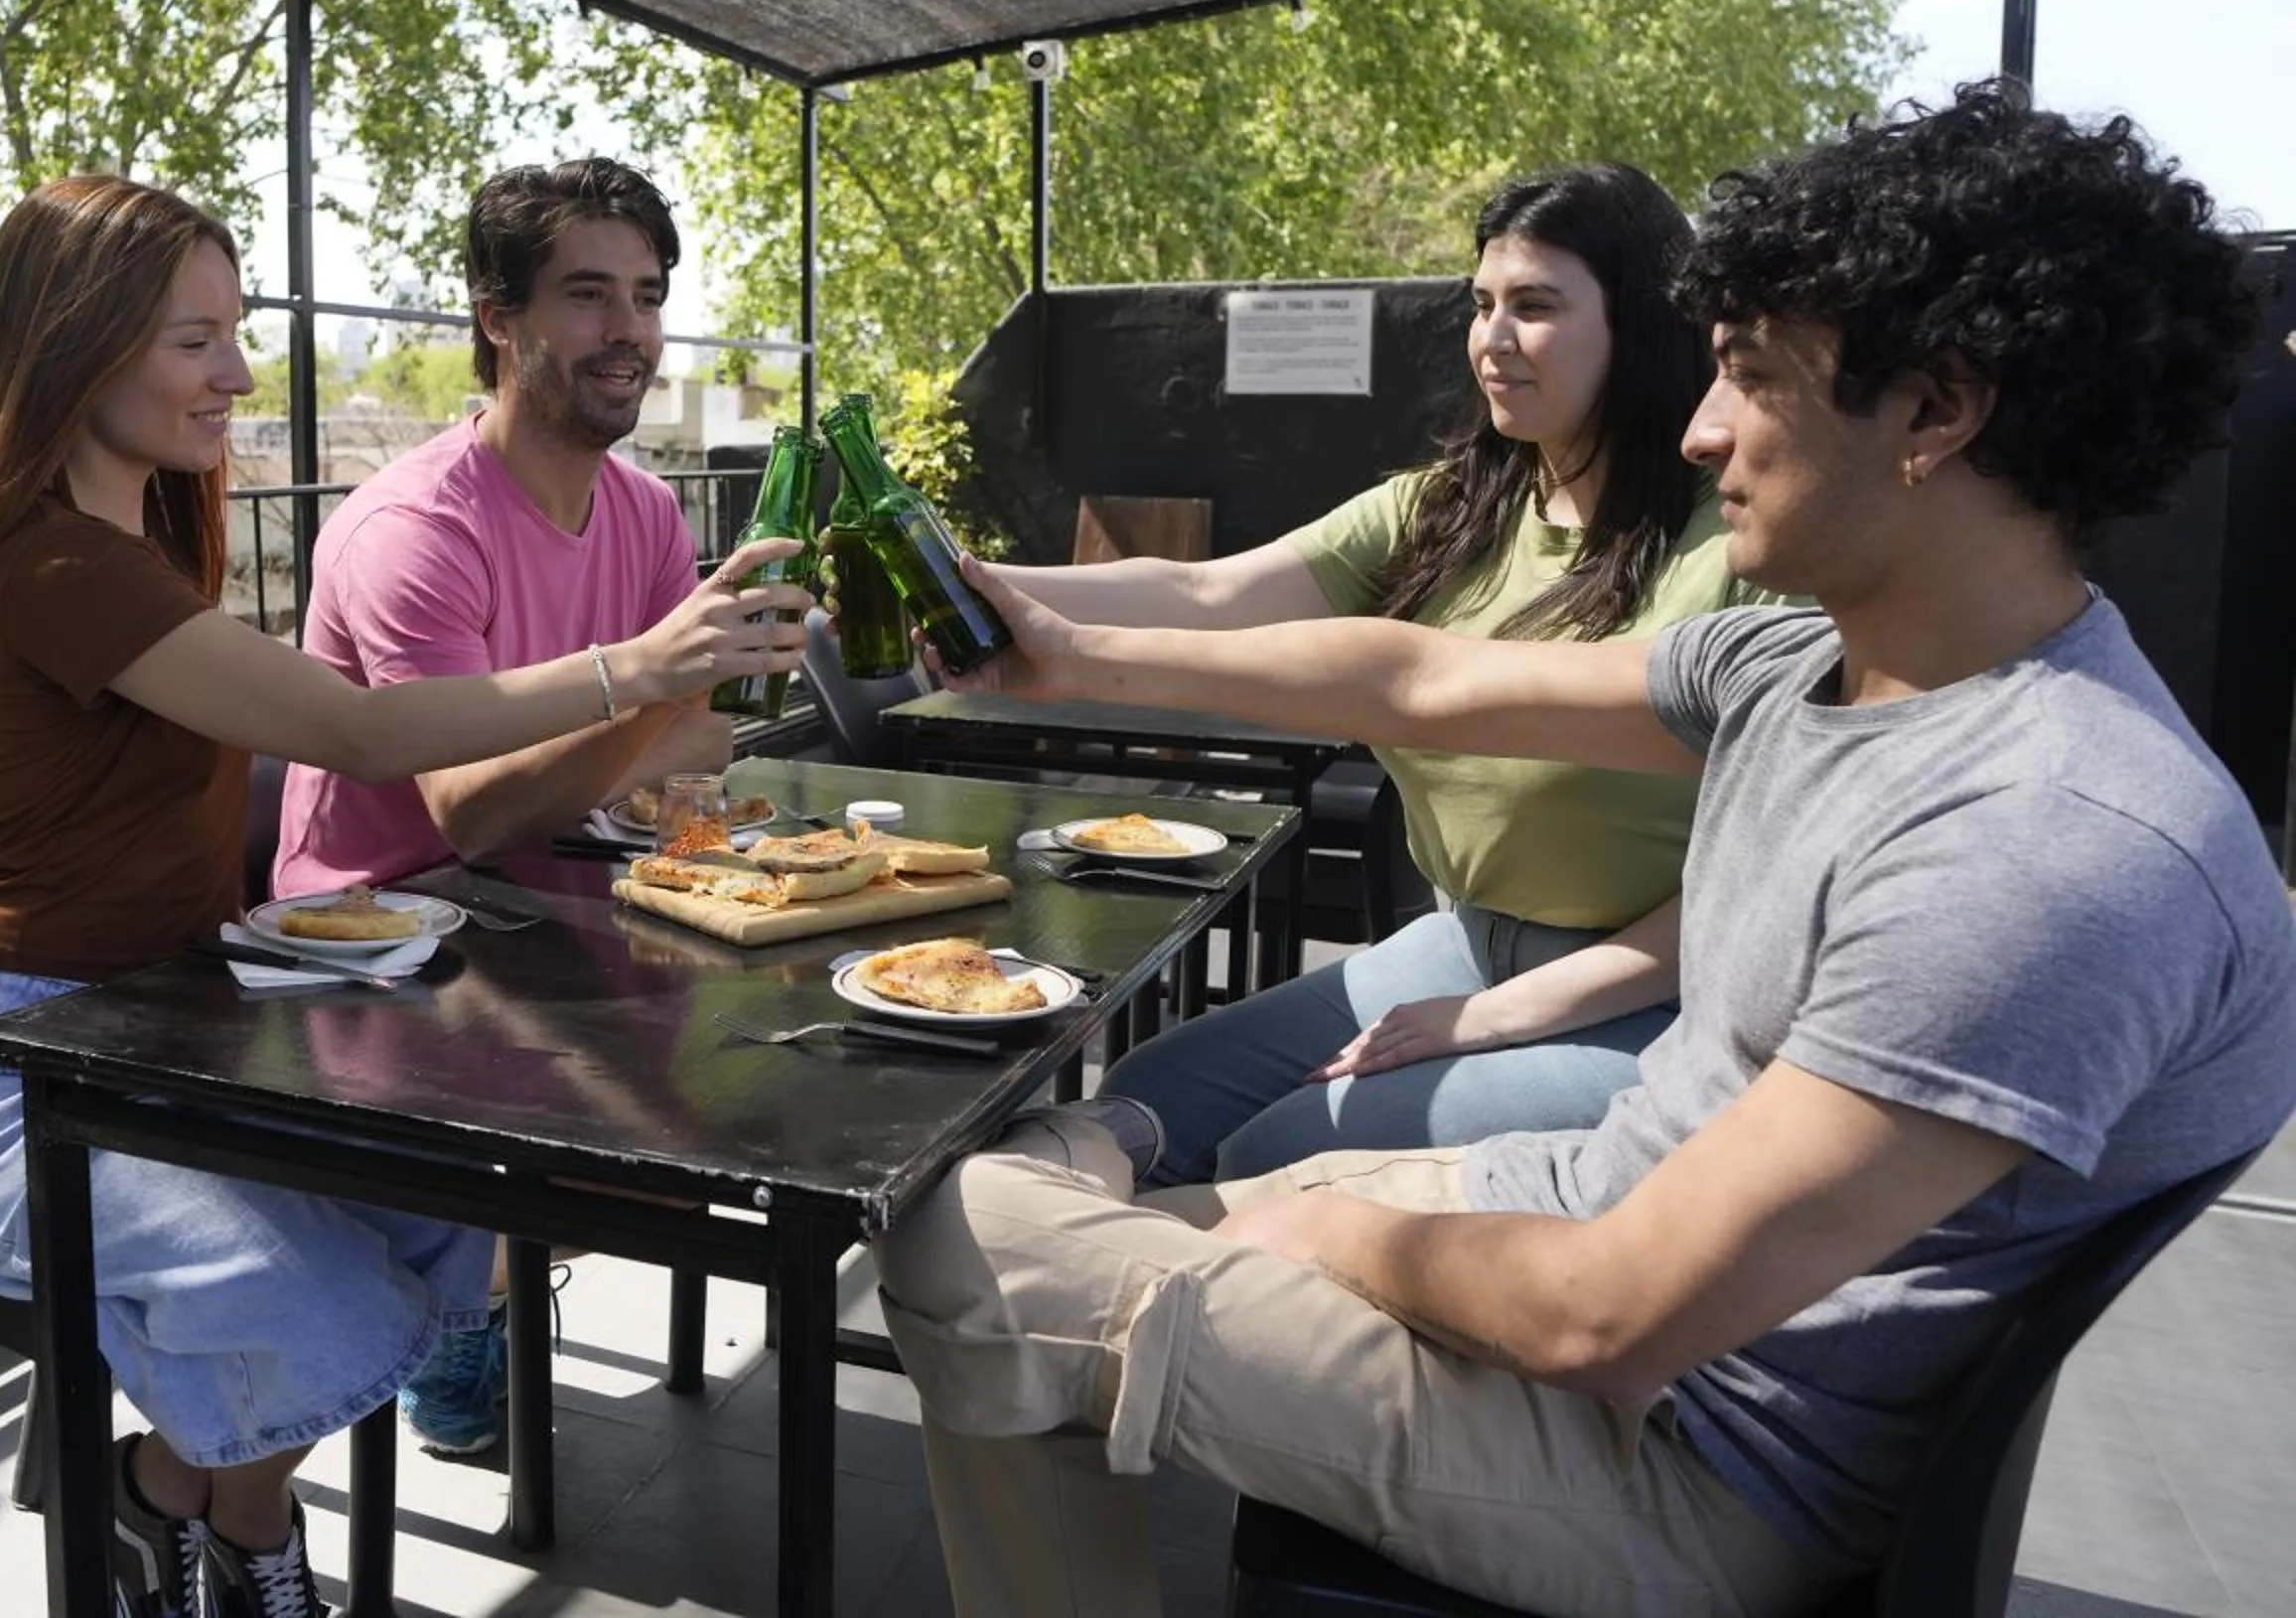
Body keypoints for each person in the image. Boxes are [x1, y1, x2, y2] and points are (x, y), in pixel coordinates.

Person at [872, 83, 2296, 1618]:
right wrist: (1066, 648)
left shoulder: (2045, 844)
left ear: (1937, 413)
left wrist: (1328, 1223)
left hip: (1675, 1466)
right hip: (1583, 1234)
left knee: (969, 1239)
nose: (1700, 426)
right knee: (1046, 1205)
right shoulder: (1796, 668)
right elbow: (1413, 676)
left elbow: (1606, 1322)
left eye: (1748, 376)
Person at [0, 175, 804, 1618]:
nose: (238, 374)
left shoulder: (145, 546)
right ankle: (227, 1534)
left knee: (444, 1226)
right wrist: (646, 664)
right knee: (317, 1303)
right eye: (195, 343)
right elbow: (368, 733)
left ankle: (173, 1503)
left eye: (232, 334)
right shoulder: (57, 569)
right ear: (76, 346)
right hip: (12, 1069)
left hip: (168, 1028)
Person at [991, 163, 1771, 1180]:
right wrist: (969, 584)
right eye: (1482, 303)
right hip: (1467, 940)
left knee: (1279, 1153)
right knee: (1148, 1094)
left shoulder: (1742, 546)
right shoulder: (1449, 506)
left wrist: (1498, 1015)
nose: (1492, 337)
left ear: (1643, 324)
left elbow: (1761, 885)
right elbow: (1206, 593)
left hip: (1667, 991)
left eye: (1534, 306)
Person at [269, 155, 731, 1452]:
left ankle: (482, 1268)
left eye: (645, 296)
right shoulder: (415, 530)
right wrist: (662, 716)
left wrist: (683, 734)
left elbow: (683, 752)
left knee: (745, 1085)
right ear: (498, 316)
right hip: (378, 939)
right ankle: (466, 1286)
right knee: (662, 1117)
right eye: (587, 295)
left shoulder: (643, 513)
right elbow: (467, 812)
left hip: (545, 893)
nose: (627, 331)